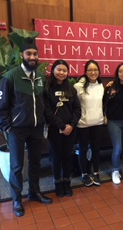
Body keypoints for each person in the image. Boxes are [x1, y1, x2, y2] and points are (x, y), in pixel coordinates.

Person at [0, 38, 52, 217]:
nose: (33, 57)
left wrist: (44, 121)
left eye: (35, 54)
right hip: (17, 129)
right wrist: (7, 126)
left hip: (36, 127)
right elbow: (0, 105)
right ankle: (17, 199)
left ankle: (34, 193)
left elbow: (44, 102)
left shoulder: (41, 77)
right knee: (17, 166)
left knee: (36, 162)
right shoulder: (10, 77)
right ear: (22, 56)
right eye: (29, 54)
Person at [43, 60, 81, 197]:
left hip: (70, 129)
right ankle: (57, 183)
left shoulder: (71, 89)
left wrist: (71, 125)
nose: (61, 73)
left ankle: (67, 183)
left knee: (67, 156)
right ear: (53, 71)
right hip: (55, 129)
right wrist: (62, 126)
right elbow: (47, 111)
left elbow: (77, 109)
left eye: (64, 70)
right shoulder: (47, 89)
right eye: (59, 70)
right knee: (57, 156)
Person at [73, 60, 104, 186]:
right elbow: (74, 106)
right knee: (83, 149)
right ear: (85, 72)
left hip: (97, 122)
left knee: (96, 149)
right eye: (90, 70)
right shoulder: (78, 86)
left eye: (95, 70)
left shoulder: (101, 86)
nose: (93, 72)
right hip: (83, 124)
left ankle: (96, 173)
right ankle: (84, 174)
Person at [103, 63, 123, 185]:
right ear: (117, 73)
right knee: (118, 147)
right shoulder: (110, 87)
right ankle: (115, 170)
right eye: (121, 71)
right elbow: (104, 103)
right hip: (113, 121)